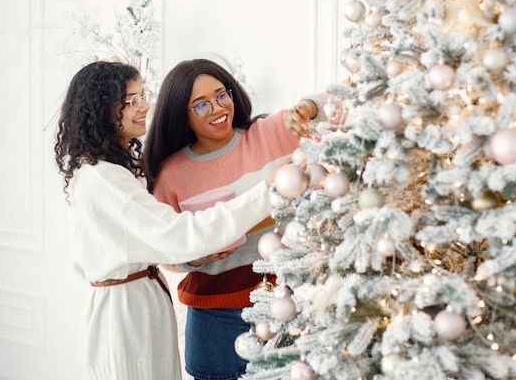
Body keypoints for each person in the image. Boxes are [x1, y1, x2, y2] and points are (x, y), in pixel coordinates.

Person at [53, 60, 275, 380]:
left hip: (139, 302)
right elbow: (177, 233)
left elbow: (144, 239)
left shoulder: (112, 171)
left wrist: (192, 254)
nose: (145, 106)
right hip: (126, 314)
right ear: (101, 108)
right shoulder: (102, 177)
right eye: (132, 101)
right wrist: (266, 191)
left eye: (144, 95)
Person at [144, 58, 324, 380]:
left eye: (221, 95)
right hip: (215, 316)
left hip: (288, 299)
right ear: (180, 116)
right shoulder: (171, 174)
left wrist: (309, 106)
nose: (216, 108)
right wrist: (195, 256)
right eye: (200, 105)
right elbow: (164, 249)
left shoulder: (271, 133)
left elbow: (336, 109)